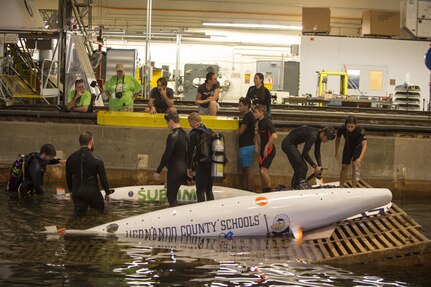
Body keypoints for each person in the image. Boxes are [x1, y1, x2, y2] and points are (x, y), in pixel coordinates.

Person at [66, 131, 111, 216]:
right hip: (92, 192)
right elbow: (103, 179)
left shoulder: (70, 158)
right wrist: (107, 193)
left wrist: (71, 191)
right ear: (91, 142)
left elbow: (68, 177)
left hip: (77, 192)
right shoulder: (97, 160)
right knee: (99, 214)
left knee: (78, 216)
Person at [282, 126, 335, 190]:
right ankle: (298, 188)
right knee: (303, 167)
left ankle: (294, 188)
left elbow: (317, 152)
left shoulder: (318, 135)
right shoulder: (313, 135)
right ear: (323, 134)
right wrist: (315, 166)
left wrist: (320, 166)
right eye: (327, 139)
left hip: (291, 144)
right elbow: (304, 153)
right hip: (288, 144)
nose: (327, 141)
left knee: (299, 168)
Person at [154, 112, 189, 207]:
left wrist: (158, 171)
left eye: (167, 123)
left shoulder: (173, 136)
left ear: (171, 121)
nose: (167, 126)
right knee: (174, 196)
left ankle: (177, 219)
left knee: (171, 197)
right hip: (184, 169)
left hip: (175, 170)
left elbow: (167, 155)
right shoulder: (186, 134)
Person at [187, 112, 214, 202]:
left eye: (189, 122)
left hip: (201, 164)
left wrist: (188, 167)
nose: (189, 124)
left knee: (200, 190)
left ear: (194, 121)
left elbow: (190, 152)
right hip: (211, 164)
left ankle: (201, 213)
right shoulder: (210, 131)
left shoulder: (194, 133)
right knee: (209, 189)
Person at [335, 116, 367, 188]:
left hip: (357, 147)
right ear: (345, 125)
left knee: (354, 166)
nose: (350, 128)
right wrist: (336, 151)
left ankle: (354, 186)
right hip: (348, 146)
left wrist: (360, 159)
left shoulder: (360, 130)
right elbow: (338, 139)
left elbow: (364, 146)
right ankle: (341, 185)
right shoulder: (342, 128)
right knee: (344, 166)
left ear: (356, 125)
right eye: (348, 126)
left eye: (352, 126)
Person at [253, 105, 277, 193]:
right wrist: (256, 144)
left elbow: (274, 136)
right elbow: (257, 134)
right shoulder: (257, 123)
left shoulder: (267, 122)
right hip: (262, 149)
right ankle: (264, 190)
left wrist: (267, 146)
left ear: (262, 112)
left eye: (256, 112)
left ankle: (269, 190)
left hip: (269, 149)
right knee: (261, 172)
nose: (254, 114)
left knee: (263, 170)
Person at [235, 97, 255, 191]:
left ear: (247, 106)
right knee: (245, 168)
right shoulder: (249, 115)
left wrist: (237, 131)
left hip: (246, 146)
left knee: (248, 169)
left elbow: (241, 131)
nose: (239, 108)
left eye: (241, 106)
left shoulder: (248, 116)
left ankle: (249, 188)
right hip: (246, 145)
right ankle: (246, 187)